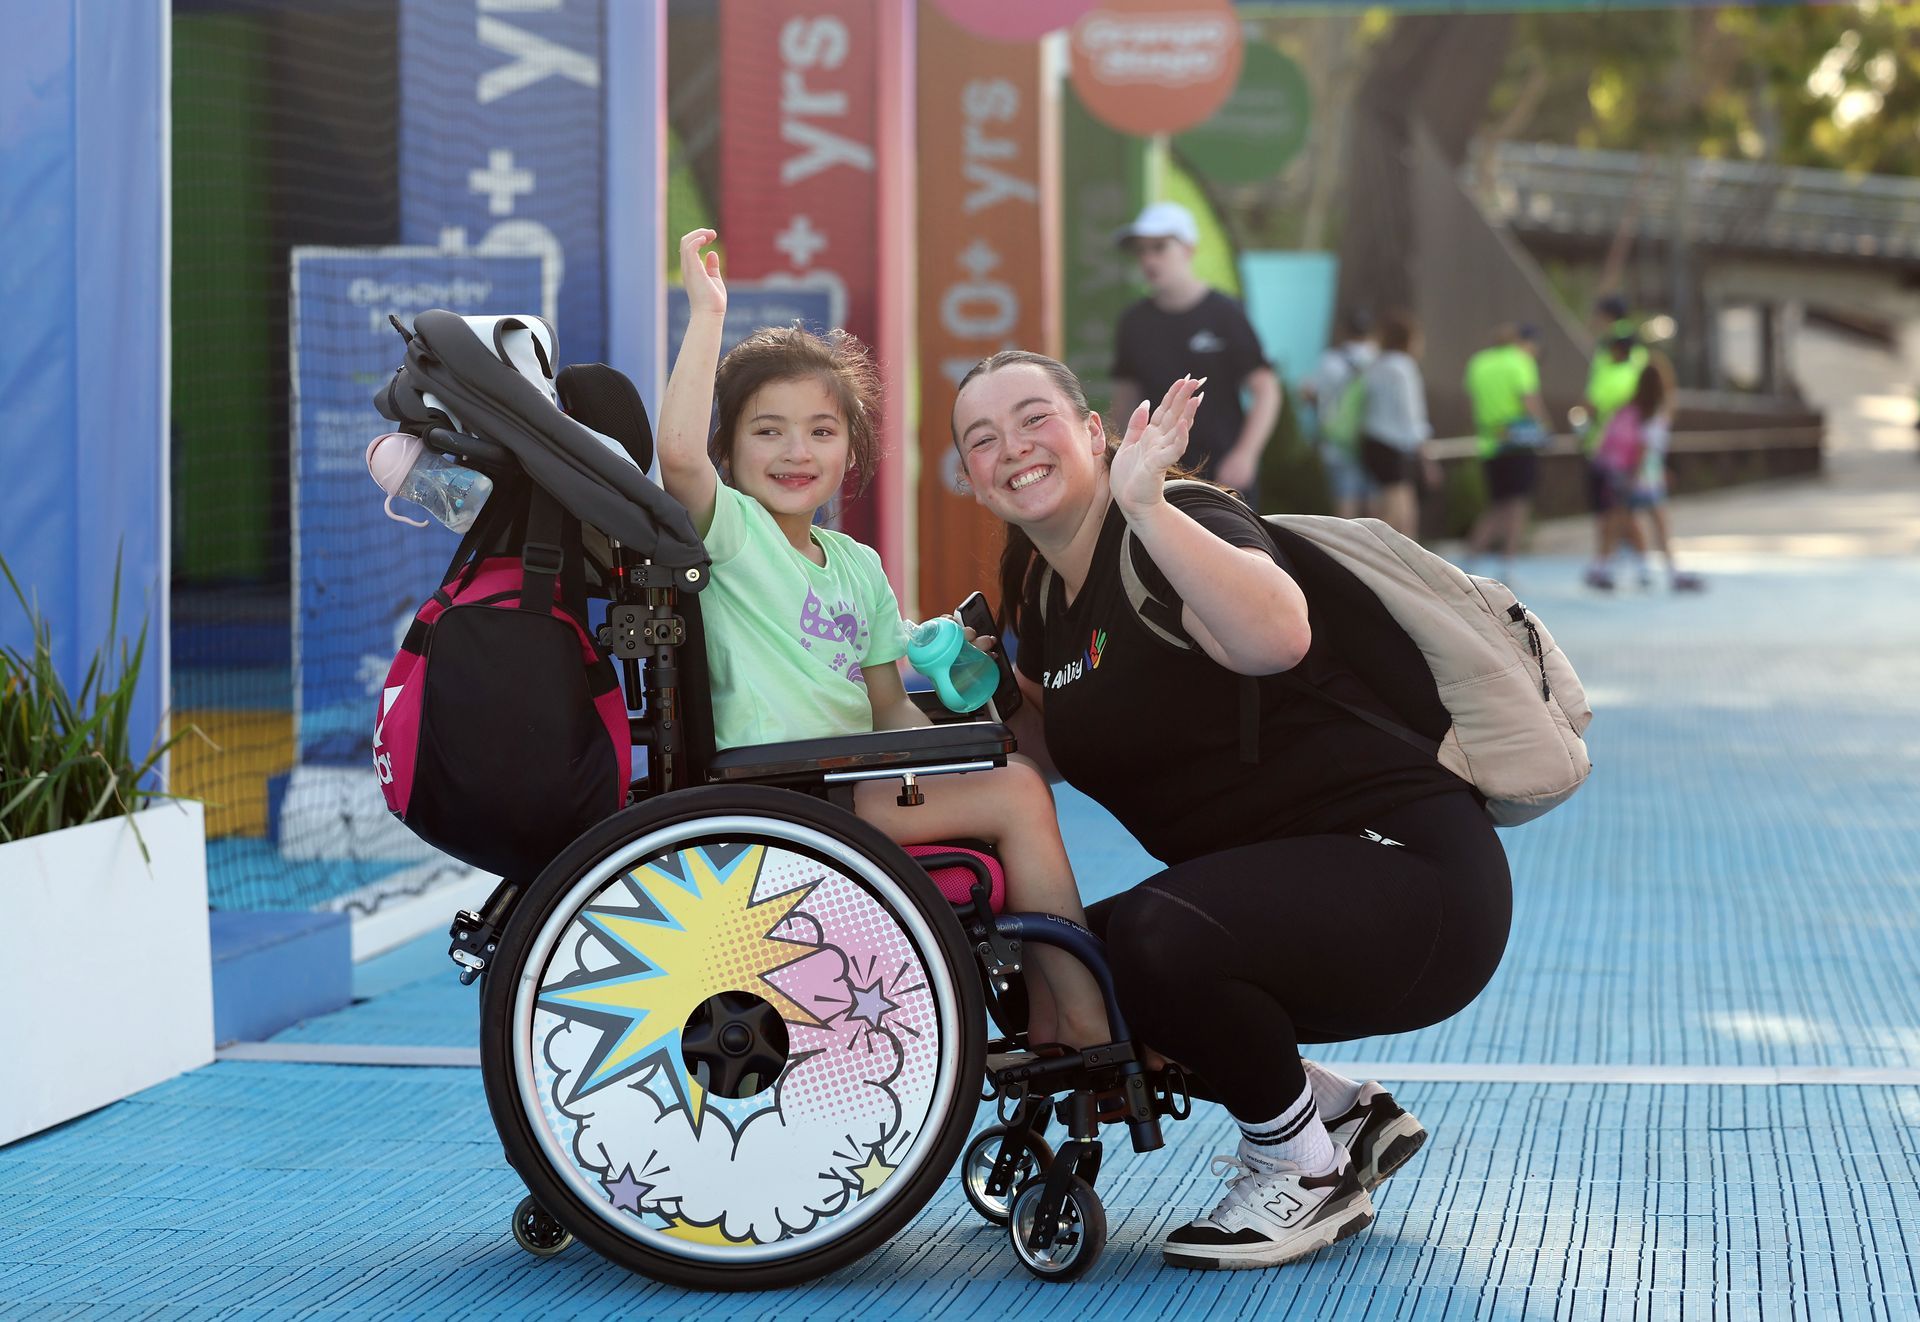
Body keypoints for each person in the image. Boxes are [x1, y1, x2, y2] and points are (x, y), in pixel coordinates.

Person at [953, 349, 1512, 1271]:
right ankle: (1337, 1112)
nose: (1012, 447)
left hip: (1411, 872)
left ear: (1094, 433)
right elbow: (1057, 757)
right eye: (983, 439)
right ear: (972, 477)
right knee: (1049, 976)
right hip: (1288, 891)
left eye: (1033, 418)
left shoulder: (1183, 521)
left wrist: (1146, 504)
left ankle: (1300, 1167)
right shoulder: (1043, 590)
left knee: (1148, 941)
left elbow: (1275, 637)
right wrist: (985, 689)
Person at [659, 230, 1110, 1051]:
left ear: (851, 450)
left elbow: (888, 708)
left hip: (845, 781)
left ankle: (1055, 1014)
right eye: (768, 432)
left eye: (822, 432)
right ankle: (1080, 1022)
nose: (797, 451)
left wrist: (961, 749)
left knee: (1006, 777)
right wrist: (708, 314)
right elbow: (678, 454)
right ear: (732, 450)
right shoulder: (732, 532)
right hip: (783, 795)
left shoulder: (858, 567)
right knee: (1017, 794)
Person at [1110, 201, 1282, 498]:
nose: (1149, 259)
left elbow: (1266, 389)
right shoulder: (1133, 322)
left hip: (1224, 477)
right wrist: (1118, 456)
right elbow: (1126, 397)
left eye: (1160, 247)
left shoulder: (1226, 313)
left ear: (1189, 249)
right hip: (1157, 478)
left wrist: (1245, 455)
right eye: (1142, 250)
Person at [1594, 352, 1705, 593]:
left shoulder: (1630, 409)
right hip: (1643, 477)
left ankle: (1606, 569)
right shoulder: (1656, 412)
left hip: (1626, 473)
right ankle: (1670, 572)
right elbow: (1646, 448)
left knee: (1620, 523)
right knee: (1658, 525)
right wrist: (1640, 474)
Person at [1461, 323, 1551, 582]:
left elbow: (1471, 403)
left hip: (1490, 443)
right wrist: (1545, 430)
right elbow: (1530, 401)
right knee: (1518, 505)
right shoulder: (1520, 362)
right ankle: (1508, 563)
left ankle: (1472, 555)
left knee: (1497, 504)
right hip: (1519, 442)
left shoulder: (1478, 363)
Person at [1581, 297, 1649, 590]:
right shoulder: (1637, 356)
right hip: (1619, 448)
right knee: (1621, 509)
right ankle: (1623, 565)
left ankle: (1612, 565)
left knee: (1614, 510)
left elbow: (1597, 399)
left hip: (1610, 448)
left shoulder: (1612, 357)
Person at [1356, 310, 1436, 537]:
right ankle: (1381, 561)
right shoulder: (1403, 366)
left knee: (1389, 508)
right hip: (1394, 445)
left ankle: (1377, 558)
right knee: (1401, 516)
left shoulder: (1374, 364)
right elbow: (1412, 414)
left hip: (1372, 441)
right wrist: (1426, 455)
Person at [1301, 310, 1376, 519]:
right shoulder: (1376, 359)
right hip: (1371, 439)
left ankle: (1345, 550)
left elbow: (1313, 393)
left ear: (1344, 331)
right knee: (1373, 501)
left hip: (1336, 441)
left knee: (1345, 499)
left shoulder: (1330, 360)